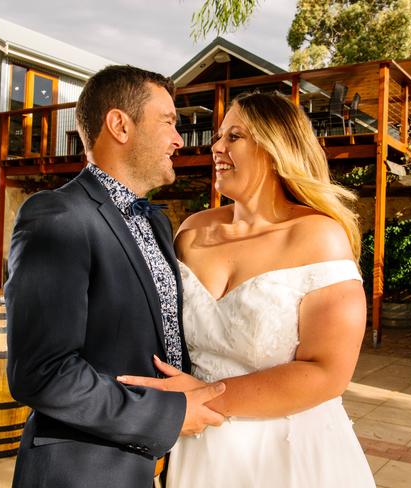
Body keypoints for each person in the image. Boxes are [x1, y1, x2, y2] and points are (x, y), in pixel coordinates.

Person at [118, 92, 376, 487]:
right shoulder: (192, 231)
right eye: (219, 136)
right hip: (200, 450)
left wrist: (204, 397)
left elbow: (328, 373)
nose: (216, 147)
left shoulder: (319, 236)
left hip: (286, 453)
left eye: (234, 136)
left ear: (275, 149)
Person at [4, 65, 225, 488]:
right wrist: (170, 415)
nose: (179, 140)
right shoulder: (57, 216)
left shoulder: (158, 223)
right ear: (120, 125)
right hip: (85, 470)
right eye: (168, 123)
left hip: (159, 466)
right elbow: (42, 372)